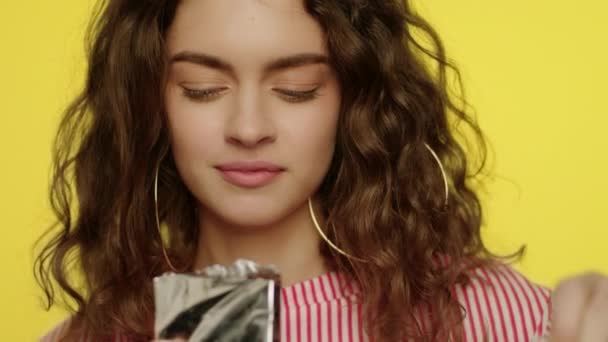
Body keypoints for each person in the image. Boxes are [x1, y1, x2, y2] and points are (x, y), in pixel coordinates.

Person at [36, 0, 607, 341]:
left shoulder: (481, 313)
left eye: (296, 90)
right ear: (151, 105)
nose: (249, 127)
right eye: (203, 89)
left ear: (352, 101)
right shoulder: (94, 336)